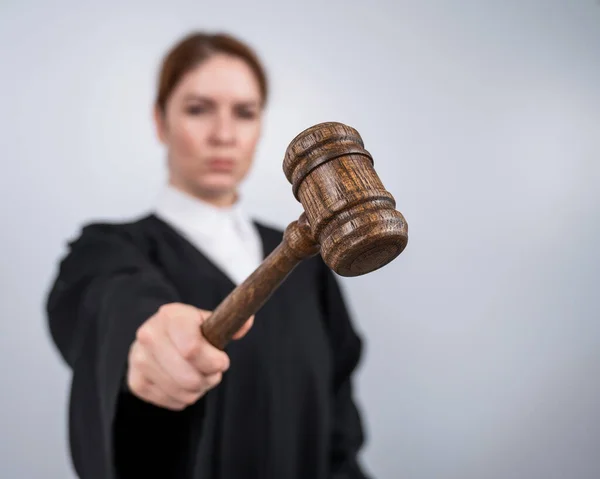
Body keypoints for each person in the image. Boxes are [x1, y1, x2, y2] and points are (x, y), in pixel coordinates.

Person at [46, 31, 370, 479]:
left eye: (244, 113)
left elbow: (339, 427)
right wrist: (146, 335)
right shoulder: (105, 251)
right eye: (198, 110)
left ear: (260, 128)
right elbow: (110, 300)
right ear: (161, 121)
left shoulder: (311, 266)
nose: (223, 135)